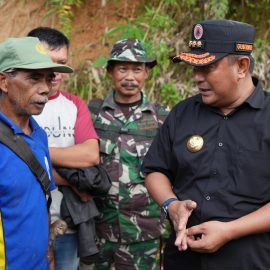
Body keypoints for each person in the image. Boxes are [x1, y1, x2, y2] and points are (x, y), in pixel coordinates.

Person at [141, 19, 270, 270]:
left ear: (241, 66)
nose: (197, 78)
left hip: (251, 261)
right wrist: (171, 205)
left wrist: (230, 231)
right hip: (183, 259)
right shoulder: (183, 113)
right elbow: (156, 169)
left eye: (208, 67)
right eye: (193, 68)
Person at [86, 39, 169, 270]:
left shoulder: (161, 118)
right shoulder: (91, 114)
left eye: (137, 69)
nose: (130, 77)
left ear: (147, 73)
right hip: (99, 228)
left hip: (143, 233)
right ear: (111, 71)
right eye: (122, 69)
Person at [27, 27, 100, 270]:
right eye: (47, 62)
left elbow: (90, 155)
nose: (55, 72)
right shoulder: (19, 105)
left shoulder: (74, 105)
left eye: (62, 63)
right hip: (26, 220)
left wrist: (36, 153)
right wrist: (69, 176)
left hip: (67, 219)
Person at [0, 36, 72, 269]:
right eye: (33, 78)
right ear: (3, 81)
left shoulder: (38, 135)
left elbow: (41, 202)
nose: (46, 89)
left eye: (48, 78)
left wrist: (47, 252)